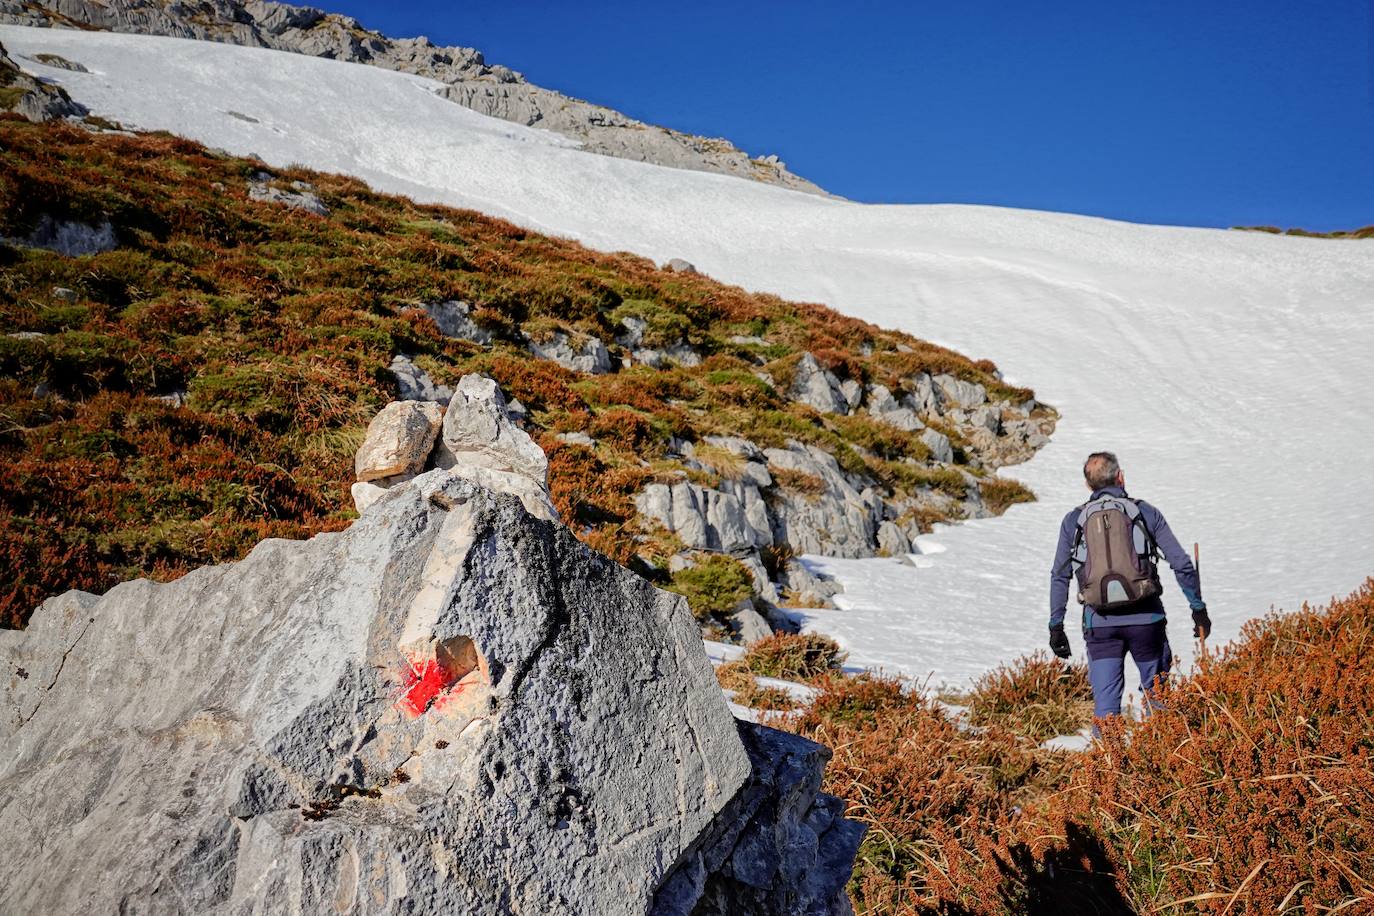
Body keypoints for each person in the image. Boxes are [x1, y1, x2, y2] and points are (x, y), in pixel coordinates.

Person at [1048, 451, 1211, 720]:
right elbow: (1181, 564)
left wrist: (1056, 626)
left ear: (1088, 485)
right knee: (1157, 699)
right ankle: (1162, 753)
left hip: (1100, 624)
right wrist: (1198, 609)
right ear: (1120, 477)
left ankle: (1108, 760)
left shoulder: (1073, 521)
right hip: (1147, 621)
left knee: (1106, 709)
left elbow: (1059, 576)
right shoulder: (1145, 512)